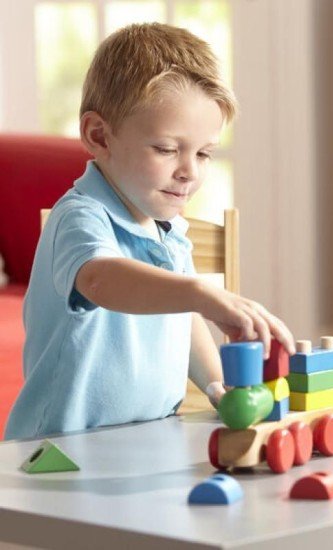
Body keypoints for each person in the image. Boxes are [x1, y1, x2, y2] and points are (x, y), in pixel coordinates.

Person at [4, 23, 295, 441]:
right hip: (57, 449)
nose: (189, 171)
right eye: (166, 149)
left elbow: (182, 317)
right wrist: (201, 291)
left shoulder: (170, 230)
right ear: (99, 136)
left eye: (204, 153)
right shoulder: (81, 217)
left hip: (144, 436)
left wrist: (217, 385)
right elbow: (101, 279)